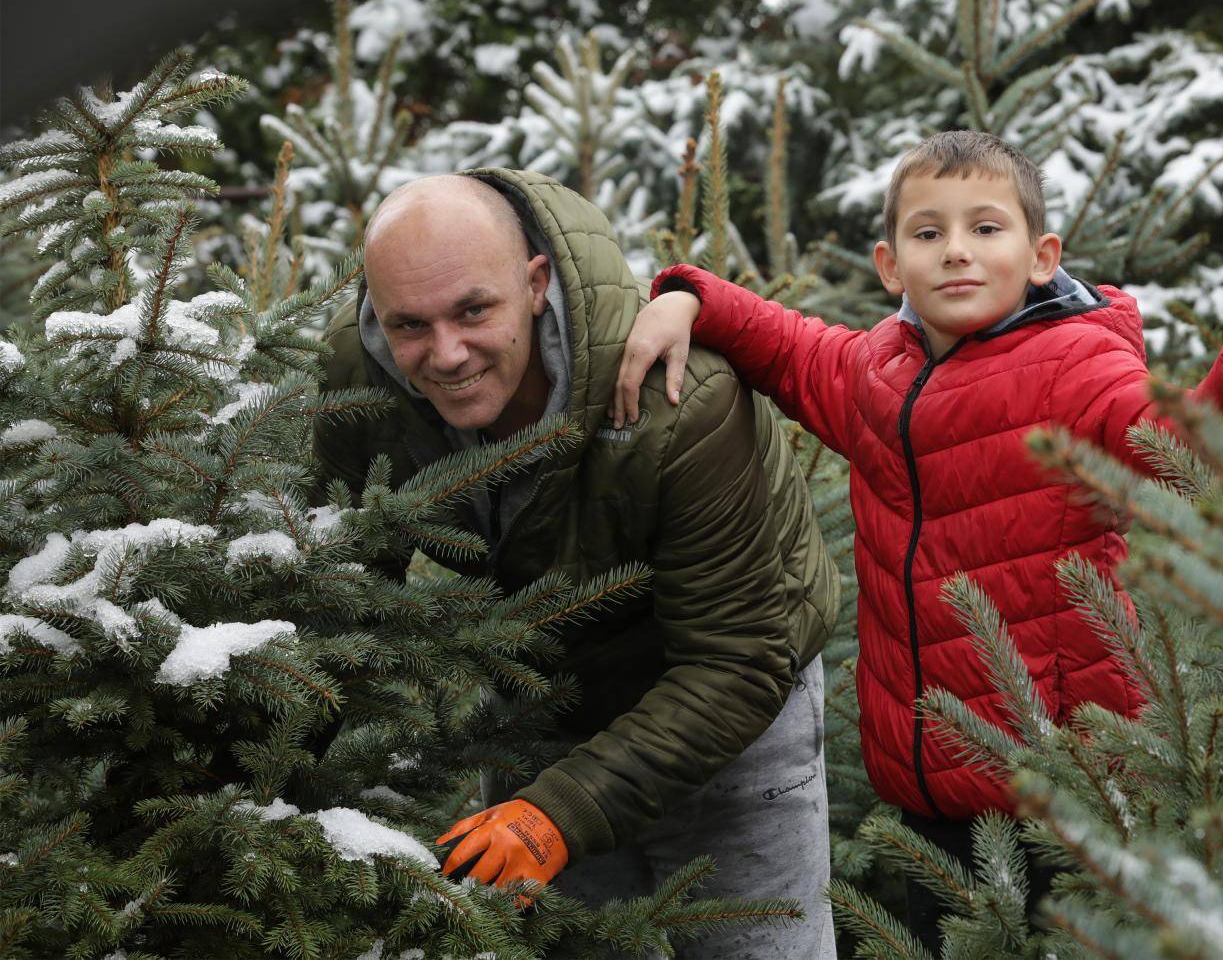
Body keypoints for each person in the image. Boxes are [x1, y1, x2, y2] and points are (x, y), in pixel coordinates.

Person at [612, 129, 1223, 946]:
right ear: (890, 265)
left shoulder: (1076, 367)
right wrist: (690, 296)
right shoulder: (878, 374)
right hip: (930, 802)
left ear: (1042, 254)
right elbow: (789, 346)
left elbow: (1168, 446)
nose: (957, 252)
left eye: (986, 229)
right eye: (928, 233)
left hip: (1065, 794)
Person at [312, 169, 840, 958]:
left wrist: (558, 812)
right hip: (540, 703)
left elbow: (738, 658)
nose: (445, 354)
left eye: (473, 311)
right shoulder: (362, 378)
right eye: (409, 325)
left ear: (535, 282)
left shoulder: (680, 400)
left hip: (733, 712)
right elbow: (339, 598)